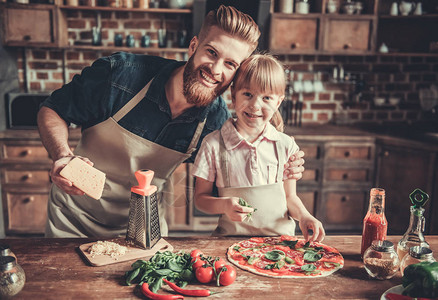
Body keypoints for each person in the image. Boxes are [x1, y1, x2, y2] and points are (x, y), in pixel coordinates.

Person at [37, 5, 305, 238]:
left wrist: (284, 161)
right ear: (193, 46)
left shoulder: (214, 120)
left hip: (145, 231)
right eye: (211, 52)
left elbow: (240, 161)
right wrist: (62, 156)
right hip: (72, 223)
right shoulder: (120, 76)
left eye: (230, 64)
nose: (215, 69)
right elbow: (52, 109)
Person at [192, 54, 324, 241]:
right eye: (248, 94)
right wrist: (224, 205)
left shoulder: (286, 145)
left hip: (280, 242)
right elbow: (200, 199)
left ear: (278, 102)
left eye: (267, 98)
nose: (255, 105)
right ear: (233, 96)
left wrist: (304, 215)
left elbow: (290, 197)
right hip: (231, 241)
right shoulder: (213, 144)